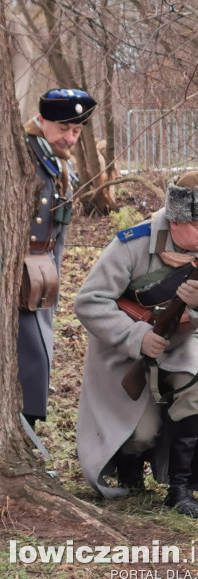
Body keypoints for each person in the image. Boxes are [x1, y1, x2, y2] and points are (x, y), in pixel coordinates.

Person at [75, 171, 198, 518]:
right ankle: (128, 469)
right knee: (141, 433)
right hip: (127, 345)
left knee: (196, 385)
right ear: (175, 219)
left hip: (187, 339)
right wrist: (136, 338)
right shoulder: (133, 244)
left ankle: (180, 488)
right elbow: (90, 301)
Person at [19, 87, 96, 429]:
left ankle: (28, 429)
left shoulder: (63, 168)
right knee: (30, 352)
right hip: (18, 271)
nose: (70, 137)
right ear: (42, 120)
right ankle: (24, 424)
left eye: (77, 131)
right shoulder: (23, 157)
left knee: (40, 351)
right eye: (64, 128)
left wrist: (55, 278)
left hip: (41, 276)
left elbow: (58, 236)